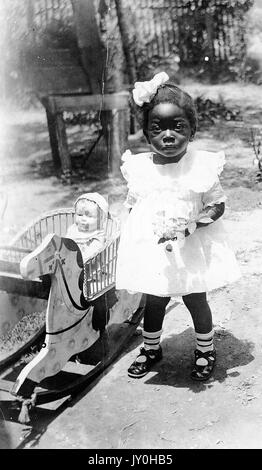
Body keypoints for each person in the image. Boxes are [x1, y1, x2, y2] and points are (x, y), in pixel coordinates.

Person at [115, 72, 241, 381]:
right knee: (154, 299)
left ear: (192, 131)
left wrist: (193, 224)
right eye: (157, 129)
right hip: (156, 250)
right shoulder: (142, 169)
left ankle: (204, 349)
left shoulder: (200, 166)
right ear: (146, 134)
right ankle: (151, 347)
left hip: (190, 247)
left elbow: (217, 204)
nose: (168, 136)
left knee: (194, 298)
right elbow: (133, 205)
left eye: (178, 127)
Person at [66, 192, 109, 263]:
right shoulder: (73, 229)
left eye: (89, 216)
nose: (83, 219)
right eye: (79, 215)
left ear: (100, 219)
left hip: (89, 267)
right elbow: (66, 243)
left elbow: (93, 254)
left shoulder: (97, 235)